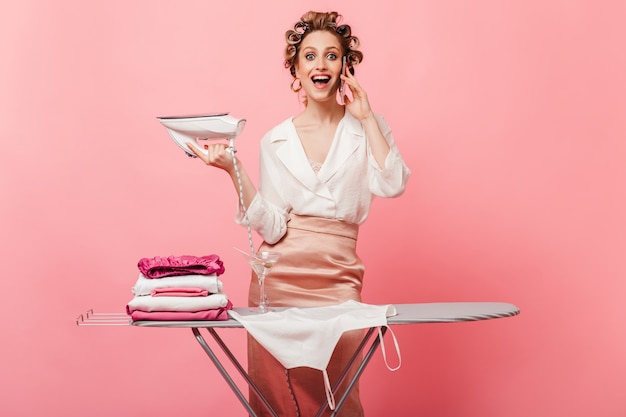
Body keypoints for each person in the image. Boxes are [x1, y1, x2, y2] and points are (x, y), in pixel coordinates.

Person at [189, 10, 410, 417]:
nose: (320, 64)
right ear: (295, 69)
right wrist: (233, 170)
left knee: (340, 394)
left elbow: (392, 184)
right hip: (278, 281)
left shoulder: (369, 127)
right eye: (309, 56)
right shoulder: (275, 139)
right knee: (276, 396)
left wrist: (366, 118)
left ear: (346, 66)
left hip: (338, 277)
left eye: (331, 55)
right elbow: (271, 226)